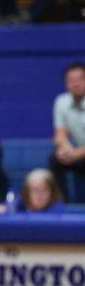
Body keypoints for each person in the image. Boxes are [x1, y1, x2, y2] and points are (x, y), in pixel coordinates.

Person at [48, 61, 85, 198]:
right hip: (79, 155)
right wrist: (64, 148)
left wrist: (75, 154)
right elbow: (60, 133)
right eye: (71, 80)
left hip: (80, 153)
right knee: (55, 159)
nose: (76, 84)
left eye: (80, 79)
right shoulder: (61, 102)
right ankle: (61, 202)